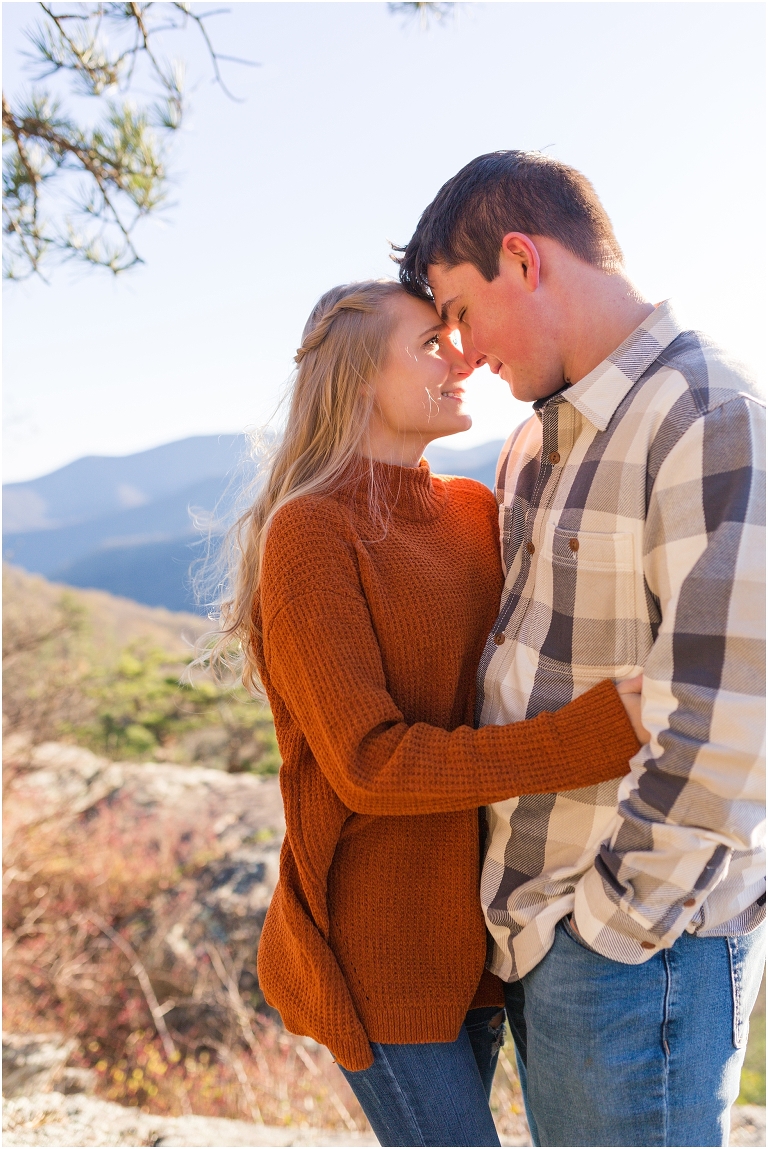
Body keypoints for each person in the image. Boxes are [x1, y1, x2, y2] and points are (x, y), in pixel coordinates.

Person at [211, 278, 648, 1147]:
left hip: (489, 927)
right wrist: (594, 736)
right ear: (356, 375)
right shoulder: (311, 530)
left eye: (458, 335)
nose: (463, 358)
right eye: (430, 344)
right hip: (383, 945)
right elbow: (369, 762)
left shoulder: (470, 508)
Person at [397, 150, 766, 1148]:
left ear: (523, 257)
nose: (463, 354)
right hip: (540, 935)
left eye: (462, 312)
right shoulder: (539, 439)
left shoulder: (706, 413)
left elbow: (739, 715)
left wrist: (611, 929)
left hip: (634, 955)